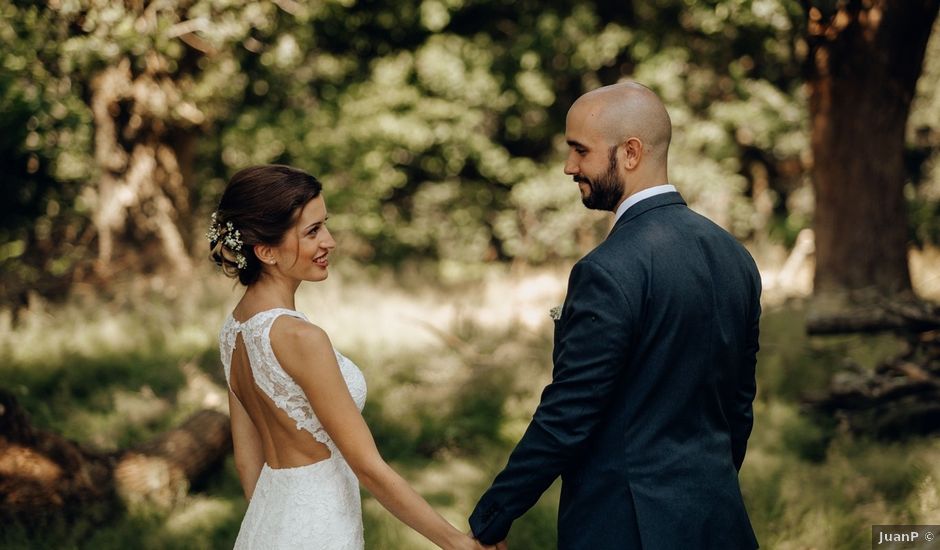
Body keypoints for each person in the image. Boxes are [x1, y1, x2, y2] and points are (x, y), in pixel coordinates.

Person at [469, 82, 761, 549]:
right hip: (719, 524)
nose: (569, 167)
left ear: (630, 153)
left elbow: (568, 413)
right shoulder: (735, 257)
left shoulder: (606, 270)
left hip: (624, 530)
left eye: (580, 151)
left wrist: (492, 518)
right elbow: (739, 407)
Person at [209, 165, 488, 550]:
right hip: (319, 528)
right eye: (312, 232)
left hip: (268, 523)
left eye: (324, 224)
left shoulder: (234, 330)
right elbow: (369, 469)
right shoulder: (301, 337)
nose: (330, 241)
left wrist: (272, 527)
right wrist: (459, 543)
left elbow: (247, 462)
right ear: (266, 251)